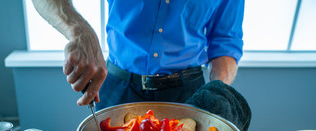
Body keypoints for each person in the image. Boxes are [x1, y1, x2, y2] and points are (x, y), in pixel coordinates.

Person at [31, 0, 245, 111]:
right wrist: (79, 30)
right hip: (119, 88)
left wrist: (218, 91)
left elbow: (225, 41)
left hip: (188, 93)